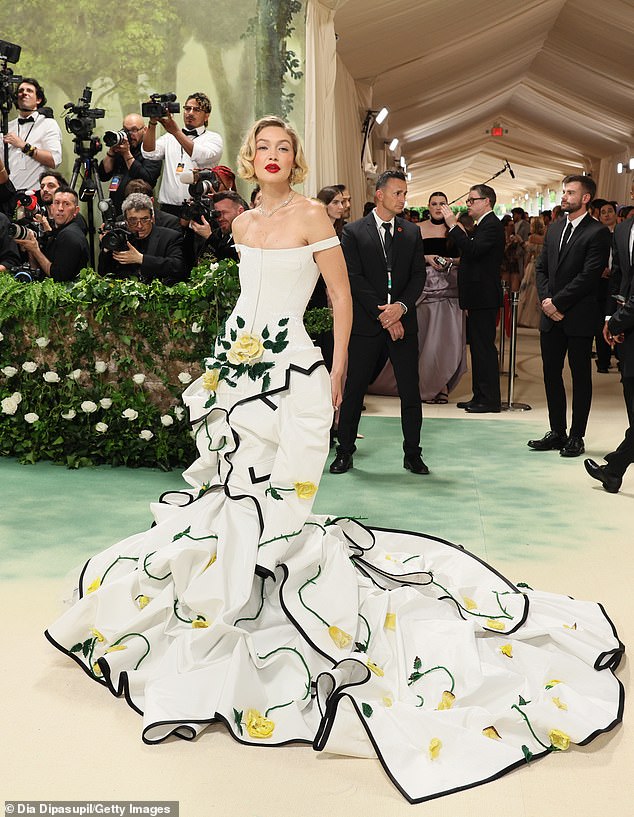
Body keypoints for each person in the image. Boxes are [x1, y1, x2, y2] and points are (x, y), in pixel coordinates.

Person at [45, 117, 623, 806]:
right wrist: (226, 362)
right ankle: (227, 585)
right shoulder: (242, 223)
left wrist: (340, 361)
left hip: (289, 367)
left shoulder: (314, 214)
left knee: (271, 487)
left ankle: (260, 575)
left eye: (282, 148)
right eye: (260, 149)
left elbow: (341, 297)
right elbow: (243, 299)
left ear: (295, 157)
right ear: (250, 159)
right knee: (228, 482)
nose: (270, 158)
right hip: (240, 361)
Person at [330, 170, 428, 475]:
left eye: (405, 194)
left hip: (402, 323)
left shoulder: (411, 233)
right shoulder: (354, 232)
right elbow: (354, 278)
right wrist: (383, 315)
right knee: (355, 388)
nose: (403, 199)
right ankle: (345, 450)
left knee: (411, 391)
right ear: (380, 195)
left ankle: (412, 453)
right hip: (368, 325)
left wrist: (399, 308)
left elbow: (417, 277)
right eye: (397, 193)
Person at [529, 175, 611, 457]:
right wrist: (545, 300)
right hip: (551, 316)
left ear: (585, 198)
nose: (563, 197)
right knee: (551, 374)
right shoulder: (554, 229)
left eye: (570, 192)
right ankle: (557, 431)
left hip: (577, 316)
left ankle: (577, 436)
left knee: (580, 377)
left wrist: (558, 303)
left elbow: (589, 276)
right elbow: (541, 268)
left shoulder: (598, 232)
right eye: (564, 192)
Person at [369, 190, 467, 403]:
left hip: (450, 291)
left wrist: (450, 261)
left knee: (447, 342)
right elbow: (405, 258)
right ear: (428, 206)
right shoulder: (417, 228)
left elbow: (468, 256)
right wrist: (427, 258)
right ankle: (421, 384)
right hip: (423, 291)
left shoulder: (456, 229)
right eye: (434, 203)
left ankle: (441, 386)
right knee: (425, 341)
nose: (438, 207)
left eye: (442, 203)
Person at [441, 184, 505, 413]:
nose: (468, 204)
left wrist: (452, 226)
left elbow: (473, 250)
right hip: (477, 294)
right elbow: (477, 257)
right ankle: (480, 396)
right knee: (477, 348)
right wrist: (454, 262)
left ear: (486, 201)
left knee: (484, 348)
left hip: (484, 295)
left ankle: (489, 400)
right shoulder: (483, 225)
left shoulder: (492, 225)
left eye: (472, 200)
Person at [584, 214, 634, 492]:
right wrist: (611, 318)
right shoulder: (624, 229)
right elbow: (618, 278)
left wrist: (618, 321)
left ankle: (614, 468)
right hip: (628, 331)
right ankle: (614, 470)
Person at [141, 92, 223, 216]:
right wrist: (152, 123)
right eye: (187, 108)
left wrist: (176, 132)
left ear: (206, 116)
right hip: (168, 209)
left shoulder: (213, 138)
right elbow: (149, 153)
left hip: (198, 208)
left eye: (196, 110)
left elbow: (202, 157)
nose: (190, 113)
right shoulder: (169, 137)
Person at [97, 192, 185, 284]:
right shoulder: (120, 238)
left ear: (152, 218)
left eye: (144, 219)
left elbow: (177, 267)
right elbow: (103, 273)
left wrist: (141, 259)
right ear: (125, 221)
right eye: (133, 220)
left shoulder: (170, 237)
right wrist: (106, 248)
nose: (139, 225)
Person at [13, 188, 88, 282]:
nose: (60, 208)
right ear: (52, 208)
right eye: (57, 203)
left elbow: (58, 277)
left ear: (76, 211)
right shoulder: (61, 230)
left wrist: (35, 250)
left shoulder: (69, 235)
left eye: (66, 204)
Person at [2, 78, 62, 191]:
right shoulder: (7, 127)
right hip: (7, 197)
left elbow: (54, 160)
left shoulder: (48, 124)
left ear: (38, 99)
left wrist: (24, 146)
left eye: (29, 91)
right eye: (20, 91)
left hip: (35, 196)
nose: (24, 93)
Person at [97, 114, 162, 212]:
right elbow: (103, 175)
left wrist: (126, 153)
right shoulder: (120, 148)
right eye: (125, 130)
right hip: (115, 207)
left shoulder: (151, 150)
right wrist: (111, 152)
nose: (129, 134)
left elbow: (147, 178)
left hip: (138, 211)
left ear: (144, 130)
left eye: (134, 130)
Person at [188, 190, 248, 264]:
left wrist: (210, 237)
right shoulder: (218, 233)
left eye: (224, 212)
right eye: (217, 213)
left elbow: (230, 260)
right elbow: (201, 261)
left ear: (240, 211)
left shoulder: (249, 233)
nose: (220, 218)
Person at [517, 216, 546, 328]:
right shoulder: (545, 238)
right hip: (541, 266)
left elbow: (529, 253)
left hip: (532, 265)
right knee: (537, 292)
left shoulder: (532, 237)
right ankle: (537, 319)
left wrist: (525, 266)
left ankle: (526, 318)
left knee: (527, 291)